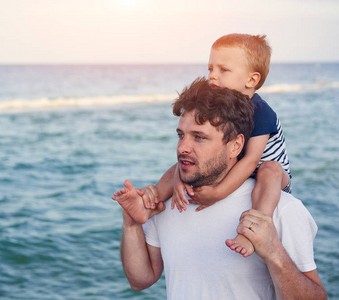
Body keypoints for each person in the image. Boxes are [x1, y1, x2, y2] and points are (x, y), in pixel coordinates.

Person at [112, 78, 326, 299]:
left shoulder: (280, 209)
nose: (182, 147)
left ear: (236, 145)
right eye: (180, 135)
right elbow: (141, 280)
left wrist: (274, 253)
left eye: (199, 137)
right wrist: (131, 225)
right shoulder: (169, 202)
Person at [140, 33, 291, 257]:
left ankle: (254, 229)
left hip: (271, 172)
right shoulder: (222, 108)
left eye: (223, 70)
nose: (213, 76)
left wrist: (218, 193)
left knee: (269, 170)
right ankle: (153, 197)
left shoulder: (262, 112)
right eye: (210, 68)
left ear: (251, 80)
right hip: (237, 161)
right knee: (185, 160)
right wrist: (179, 178)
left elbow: (251, 160)